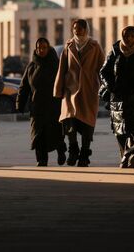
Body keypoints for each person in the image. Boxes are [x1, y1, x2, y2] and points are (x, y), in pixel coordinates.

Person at [100, 26, 134, 168]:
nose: (128, 39)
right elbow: (103, 72)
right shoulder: (114, 53)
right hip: (117, 98)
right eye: (125, 36)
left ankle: (132, 154)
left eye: (131, 36)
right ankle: (124, 155)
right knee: (120, 130)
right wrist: (111, 86)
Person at [54, 19, 105, 167]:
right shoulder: (68, 46)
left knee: (87, 124)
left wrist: (105, 88)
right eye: (75, 28)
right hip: (70, 90)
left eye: (80, 28)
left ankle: (84, 154)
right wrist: (58, 90)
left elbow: (102, 68)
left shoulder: (95, 46)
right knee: (69, 121)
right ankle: (73, 149)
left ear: (86, 29)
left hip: (89, 91)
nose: (77, 31)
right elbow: (62, 68)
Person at [16, 38, 67, 166]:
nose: (41, 50)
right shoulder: (31, 66)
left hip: (54, 106)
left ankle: (61, 151)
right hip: (37, 107)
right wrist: (20, 104)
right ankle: (41, 159)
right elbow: (24, 87)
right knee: (38, 134)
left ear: (49, 48)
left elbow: (65, 83)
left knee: (55, 133)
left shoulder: (56, 64)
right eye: (39, 48)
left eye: (44, 47)